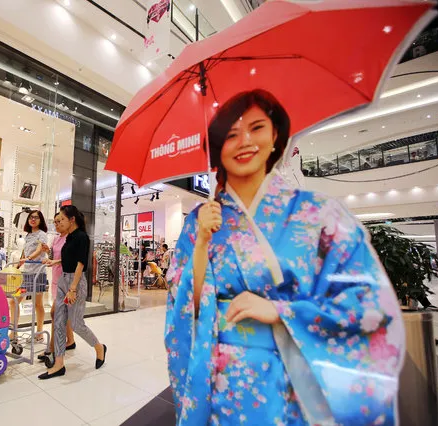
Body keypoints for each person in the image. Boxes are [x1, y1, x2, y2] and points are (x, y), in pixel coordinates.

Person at [165, 89, 405, 425]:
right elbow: (181, 303)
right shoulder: (199, 222)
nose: (245, 141)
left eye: (256, 127)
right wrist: (203, 241)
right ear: (218, 147)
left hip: (296, 381)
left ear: (276, 134)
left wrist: (282, 311)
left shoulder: (318, 213)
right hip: (222, 382)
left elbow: (369, 304)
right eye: (231, 135)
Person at [39, 205, 106, 380]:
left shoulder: (82, 237)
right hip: (63, 280)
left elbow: (80, 263)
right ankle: (59, 364)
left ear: (72, 219)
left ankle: (99, 347)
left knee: (76, 324)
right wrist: (56, 262)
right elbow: (69, 257)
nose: (59, 222)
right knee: (59, 321)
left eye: (61, 219)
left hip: (75, 282)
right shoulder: (68, 238)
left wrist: (73, 288)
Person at [38, 212, 76, 364]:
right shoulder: (56, 238)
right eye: (55, 221)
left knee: (55, 313)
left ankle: (52, 348)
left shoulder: (72, 238)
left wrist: (57, 261)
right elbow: (54, 256)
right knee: (62, 313)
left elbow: (72, 259)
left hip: (66, 280)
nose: (57, 224)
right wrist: (47, 250)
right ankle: (71, 341)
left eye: (60, 220)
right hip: (55, 279)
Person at [13, 210, 48, 342]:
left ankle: (39, 333)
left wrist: (27, 258)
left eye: (36, 218)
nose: (33, 219)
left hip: (38, 273)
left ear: (41, 220)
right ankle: (14, 332)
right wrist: (16, 267)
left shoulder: (42, 234)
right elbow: (24, 252)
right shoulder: (28, 235)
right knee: (14, 300)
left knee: (38, 304)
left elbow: (40, 250)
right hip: (26, 274)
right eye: (31, 217)